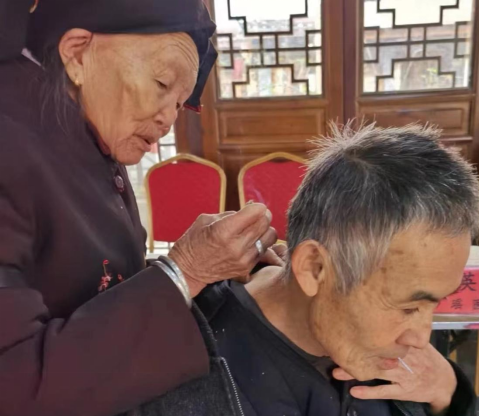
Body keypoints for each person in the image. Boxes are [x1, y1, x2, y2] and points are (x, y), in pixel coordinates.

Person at [0, 1, 279, 415]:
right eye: (162, 83)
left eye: (180, 102)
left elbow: (98, 280)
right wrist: (184, 272)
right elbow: (15, 381)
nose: (169, 119)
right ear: (77, 53)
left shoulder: (85, 132)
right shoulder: (11, 140)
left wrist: (213, 269)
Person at [135, 123, 479, 416]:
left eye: (433, 304)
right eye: (408, 307)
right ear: (315, 268)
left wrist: (449, 394)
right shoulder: (198, 382)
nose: (421, 338)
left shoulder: (399, 352)